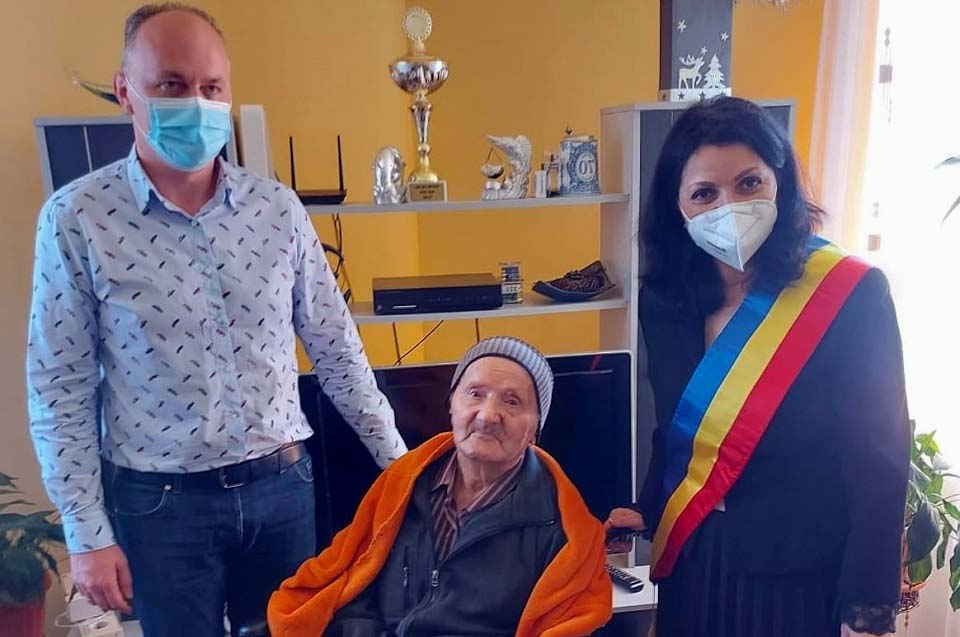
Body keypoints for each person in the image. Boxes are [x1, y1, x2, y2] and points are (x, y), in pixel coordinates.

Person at [26, 4, 407, 635]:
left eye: (211, 87)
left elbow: (338, 352)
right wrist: (86, 532)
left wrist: (401, 467)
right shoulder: (76, 220)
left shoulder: (278, 211)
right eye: (171, 85)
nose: (195, 104)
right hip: (160, 508)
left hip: (282, 491)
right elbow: (59, 388)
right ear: (125, 90)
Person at [604, 96, 909, 637]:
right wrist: (646, 507)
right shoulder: (666, 300)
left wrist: (867, 603)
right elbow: (678, 426)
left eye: (749, 184)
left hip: (798, 572)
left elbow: (879, 458)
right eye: (704, 193)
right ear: (677, 206)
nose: (730, 207)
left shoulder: (849, 294)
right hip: (696, 558)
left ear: (780, 182)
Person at [268, 337, 612, 637]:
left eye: (512, 402)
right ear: (451, 405)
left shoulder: (565, 531)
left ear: (535, 429)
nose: (487, 415)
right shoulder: (402, 485)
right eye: (475, 394)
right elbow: (355, 583)